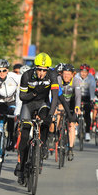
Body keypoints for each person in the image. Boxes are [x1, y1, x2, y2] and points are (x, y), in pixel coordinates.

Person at [14, 53, 59, 184]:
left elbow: (55, 97)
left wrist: (51, 115)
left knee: (46, 120)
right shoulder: (26, 75)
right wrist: (34, 92)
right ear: (35, 68)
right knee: (24, 136)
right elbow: (22, 97)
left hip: (43, 104)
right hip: (28, 105)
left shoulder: (52, 75)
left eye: (44, 70)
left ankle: (42, 145)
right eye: (39, 69)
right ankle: (21, 168)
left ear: (48, 70)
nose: (41, 73)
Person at [55, 63, 78, 160]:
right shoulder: (58, 79)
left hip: (71, 104)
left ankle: (71, 148)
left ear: (73, 74)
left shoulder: (76, 81)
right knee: (57, 114)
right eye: (64, 73)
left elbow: (78, 96)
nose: (66, 76)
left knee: (71, 125)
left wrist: (77, 106)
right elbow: (55, 94)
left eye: (68, 74)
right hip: (61, 102)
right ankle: (56, 133)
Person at [74, 63, 96, 141]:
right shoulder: (76, 76)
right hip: (78, 95)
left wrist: (92, 99)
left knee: (87, 114)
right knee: (76, 110)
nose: (83, 74)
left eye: (85, 72)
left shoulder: (91, 78)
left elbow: (92, 89)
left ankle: (87, 133)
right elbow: (74, 87)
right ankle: (76, 128)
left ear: (88, 72)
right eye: (82, 72)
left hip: (87, 96)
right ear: (80, 71)